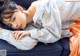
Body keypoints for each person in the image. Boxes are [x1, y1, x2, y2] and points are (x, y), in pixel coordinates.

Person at [0, 0, 80, 55]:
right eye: (10, 25)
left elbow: (54, 35)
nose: (15, 25)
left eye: (14, 19)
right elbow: (28, 43)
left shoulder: (44, 7)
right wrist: (2, 32)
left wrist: (30, 32)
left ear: (20, 9)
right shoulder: (28, 25)